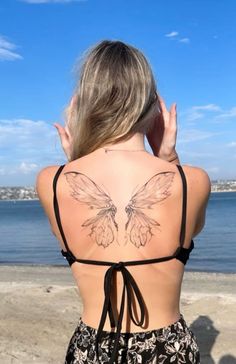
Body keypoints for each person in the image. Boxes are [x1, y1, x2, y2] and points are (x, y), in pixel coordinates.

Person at [36, 40, 211, 364]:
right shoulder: (192, 181)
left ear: (83, 105)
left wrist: (76, 159)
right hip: (168, 349)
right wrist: (169, 158)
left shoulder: (52, 182)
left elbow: (68, 234)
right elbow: (190, 230)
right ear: (152, 109)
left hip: (93, 348)